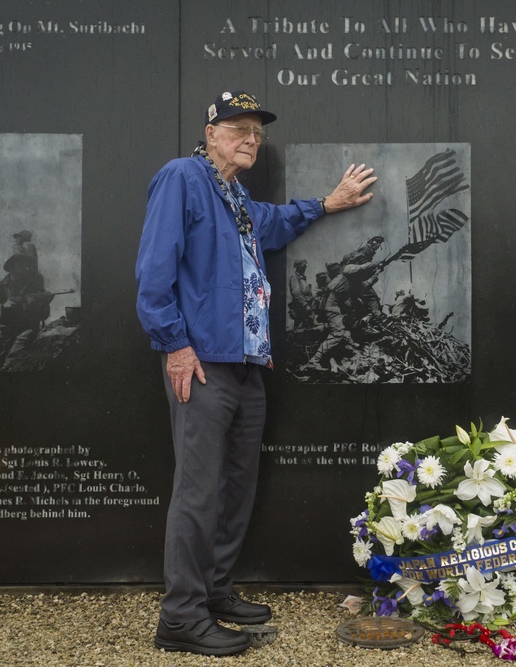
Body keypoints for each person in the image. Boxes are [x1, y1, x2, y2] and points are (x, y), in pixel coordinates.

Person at [134, 89, 376, 657]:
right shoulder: (182, 178)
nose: (251, 139)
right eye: (239, 128)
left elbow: (271, 223)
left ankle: (214, 592)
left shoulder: (235, 196)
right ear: (211, 131)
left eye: (258, 133)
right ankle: (181, 617)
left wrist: (329, 203)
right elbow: (153, 272)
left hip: (246, 365)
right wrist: (174, 345)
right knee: (198, 491)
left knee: (234, 488)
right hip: (203, 364)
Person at [0, 253, 51, 371]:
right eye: (21, 266)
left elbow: (44, 315)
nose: (25, 269)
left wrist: (43, 303)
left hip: (27, 332)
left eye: (26, 266)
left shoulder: (35, 287)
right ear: (12, 268)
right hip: (2, 334)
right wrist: (2, 307)